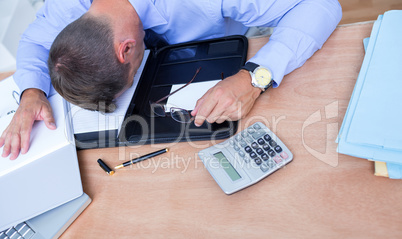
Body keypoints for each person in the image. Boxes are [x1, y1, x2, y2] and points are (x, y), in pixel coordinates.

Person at [0, 0, 342, 160]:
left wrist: (254, 77)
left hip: (235, 41)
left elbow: (320, 6)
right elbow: (35, 41)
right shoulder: (69, 5)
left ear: (127, 49)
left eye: (131, 76)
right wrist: (31, 92)